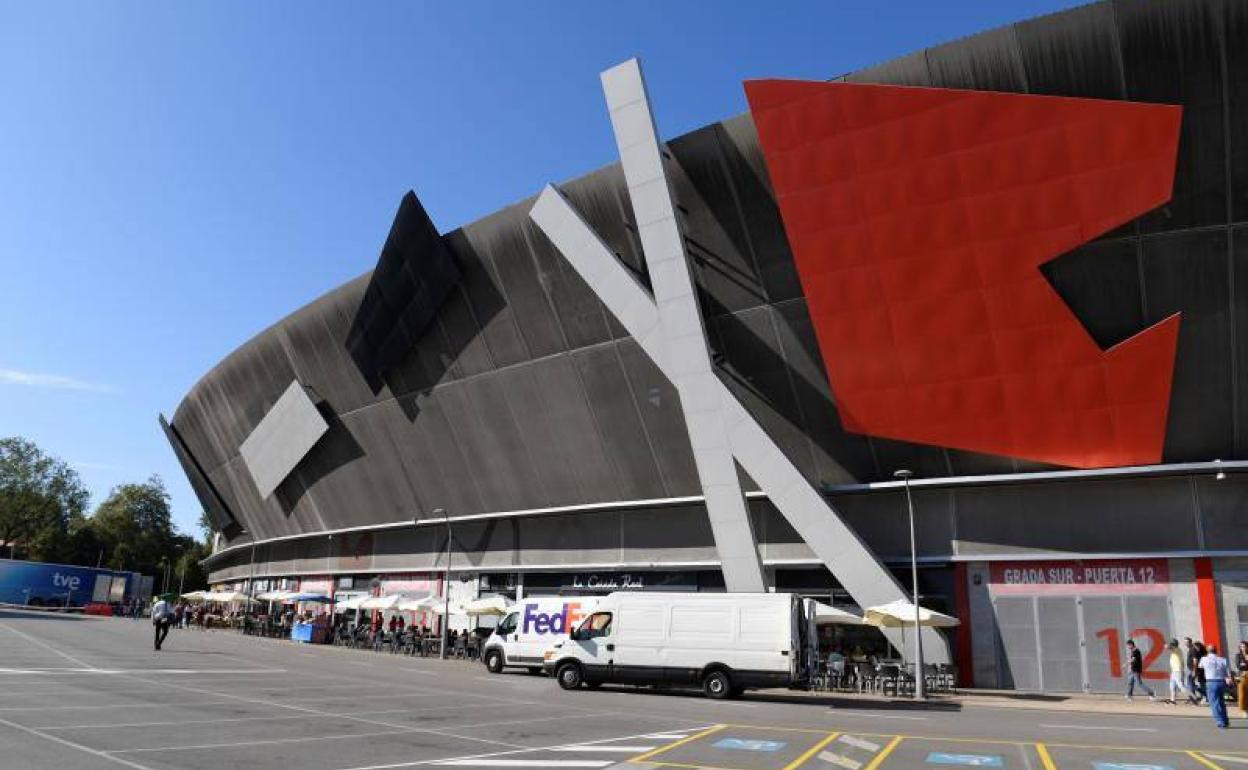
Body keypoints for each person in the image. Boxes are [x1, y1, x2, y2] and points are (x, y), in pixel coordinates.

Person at [1199, 644, 1231, 728]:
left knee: (1214, 703)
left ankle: (1220, 721)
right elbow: (1226, 672)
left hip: (1211, 681)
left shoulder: (1204, 659)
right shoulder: (1222, 659)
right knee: (1221, 702)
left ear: (1207, 651)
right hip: (1221, 681)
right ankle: (1225, 719)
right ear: (1216, 651)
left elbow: (1200, 666)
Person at [1166, 639, 1188, 705]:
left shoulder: (1177, 650)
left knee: (1180, 686)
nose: (1171, 644)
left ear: (1174, 644)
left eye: (1172, 643)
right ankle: (1173, 701)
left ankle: (1191, 696)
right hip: (1174, 671)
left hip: (1177, 671)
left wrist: (1167, 645)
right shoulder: (1175, 650)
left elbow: (1168, 647)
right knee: (1172, 686)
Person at [1236, 641, 1248, 718]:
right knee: (1242, 693)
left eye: (1244, 646)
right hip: (1242, 676)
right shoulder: (1238, 656)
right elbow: (1238, 666)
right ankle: (1244, 710)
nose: (1243, 648)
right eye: (1241, 646)